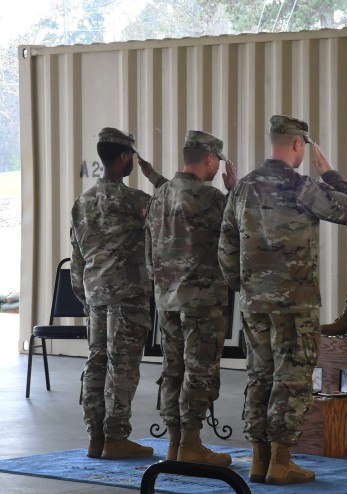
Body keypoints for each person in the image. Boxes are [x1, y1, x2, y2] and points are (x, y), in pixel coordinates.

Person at [218, 115, 347, 485]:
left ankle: (258, 459)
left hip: (253, 303)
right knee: (293, 378)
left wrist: (242, 285)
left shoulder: (244, 187)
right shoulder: (302, 187)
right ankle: (281, 461)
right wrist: (330, 174)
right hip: (295, 304)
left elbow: (226, 243)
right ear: (298, 145)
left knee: (260, 376)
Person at [144, 130, 236, 466]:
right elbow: (238, 231)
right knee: (200, 370)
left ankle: (174, 443)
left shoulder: (161, 195)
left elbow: (148, 249)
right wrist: (233, 190)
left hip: (166, 298)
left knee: (173, 370)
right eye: (217, 161)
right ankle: (192, 443)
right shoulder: (210, 198)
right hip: (202, 300)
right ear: (210, 158)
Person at [70, 127, 154, 460]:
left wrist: (85, 295)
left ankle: (95, 437)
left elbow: (77, 255)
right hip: (127, 296)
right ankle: (116, 437)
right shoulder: (136, 201)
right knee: (122, 367)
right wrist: (156, 176)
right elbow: (175, 207)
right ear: (123, 158)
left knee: (96, 363)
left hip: (95, 296)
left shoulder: (83, 201)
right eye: (132, 156)